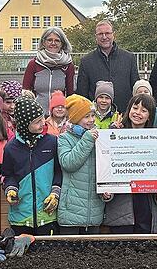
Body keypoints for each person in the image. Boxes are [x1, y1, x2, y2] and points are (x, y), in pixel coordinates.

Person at [103, 93, 157, 233]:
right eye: (135, 108)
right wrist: (105, 191)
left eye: (144, 110)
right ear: (129, 109)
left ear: (150, 115)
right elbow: (105, 168)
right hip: (121, 204)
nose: (138, 113)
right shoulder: (113, 134)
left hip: (146, 202)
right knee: (121, 249)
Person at [1, 97, 62, 235]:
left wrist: (55, 193)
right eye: (36, 122)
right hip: (21, 217)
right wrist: (10, 189)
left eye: (42, 118)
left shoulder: (52, 142)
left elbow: (59, 172)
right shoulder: (11, 148)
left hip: (47, 215)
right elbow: (8, 175)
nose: (42, 123)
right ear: (24, 124)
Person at [57, 94, 105, 234]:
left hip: (94, 211)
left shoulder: (99, 137)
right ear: (76, 118)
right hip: (70, 212)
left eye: (92, 115)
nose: (91, 120)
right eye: (86, 116)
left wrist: (107, 193)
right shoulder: (65, 138)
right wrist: (87, 140)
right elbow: (69, 163)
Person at [76, 20, 139, 114]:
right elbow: (82, 94)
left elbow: (135, 89)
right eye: (100, 34)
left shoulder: (129, 58)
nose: (104, 37)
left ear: (113, 34)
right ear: (96, 37)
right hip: (96, 119)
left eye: (107, 33)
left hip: (125, 115)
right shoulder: (86, 61)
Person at [22, 27, 75, 113]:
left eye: (57, 40)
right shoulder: (34, 64)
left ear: (62, 43)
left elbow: (71, 94)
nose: (53, 43)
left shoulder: (68, 65)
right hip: (37, 115)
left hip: (59, 116)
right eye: (49, 40)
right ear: (43, 42)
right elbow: (26, 91)